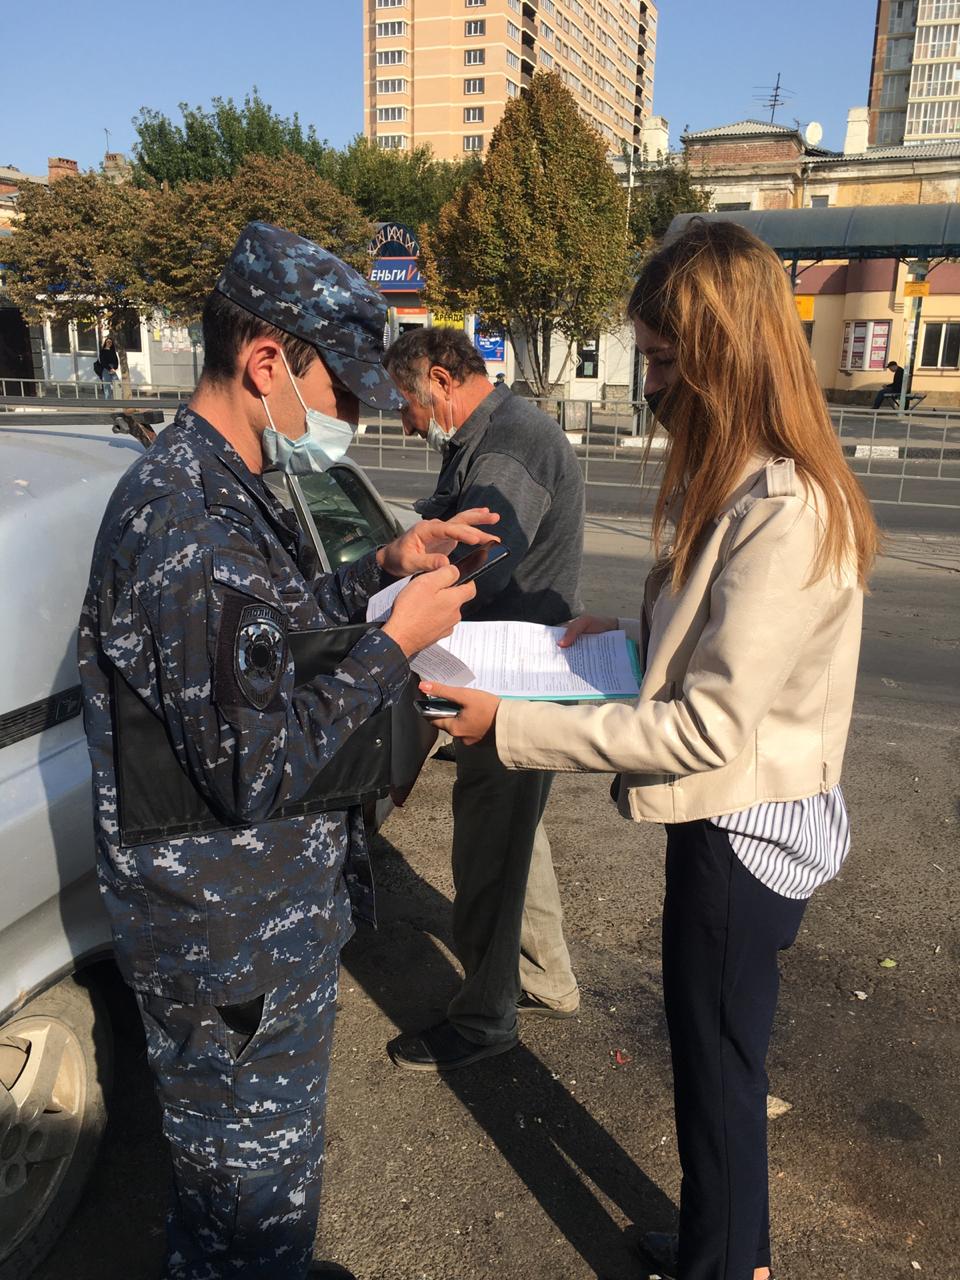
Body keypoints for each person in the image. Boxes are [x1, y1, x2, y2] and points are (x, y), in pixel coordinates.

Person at [421, 219, 878, 1280]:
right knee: (722, 1063)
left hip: (738, 832)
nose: (654, 384)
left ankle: (729, 1265)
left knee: (718, 1070)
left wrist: (511, 725)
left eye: (670, 361)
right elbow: (716, 653)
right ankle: (734, 1246)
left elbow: (711, 724)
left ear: (731, 355)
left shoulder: (784, 509)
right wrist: (616, 642)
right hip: (734, 814)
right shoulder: (753, 479)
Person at [78, 222, 500, 1280]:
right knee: (251, 1213)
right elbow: (255, 765)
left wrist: (382, 567)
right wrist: (395, 644)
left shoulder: (225, 482)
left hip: (249, 932)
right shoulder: (193, 518)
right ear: (267, 361)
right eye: (343, 392)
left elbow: (262, 647)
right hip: (229, 945)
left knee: (237, 1196)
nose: (353, 419)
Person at [381, 327, 585, 1072]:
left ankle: (483, 1020)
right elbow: (441, 516)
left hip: (509, 679)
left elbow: (478, 564)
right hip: (510, 669)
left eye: (406, 401)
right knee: (515, 836)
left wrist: (393, 609)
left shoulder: (507, 448)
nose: (403, 420)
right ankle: (546, 978)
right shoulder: (484, 437)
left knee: (489, 849)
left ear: (440, 378)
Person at [97, 334, 120, 399]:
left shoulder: (113, 351)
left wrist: (115, 368)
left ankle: (118, 400)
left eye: (110, 342)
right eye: (108, 342)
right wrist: (109, 368)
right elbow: (102, 361)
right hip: (106, 368)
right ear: (105, 343)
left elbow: (116, 360)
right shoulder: (103, 351)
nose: (109, 343)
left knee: (117, 384)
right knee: (106, 385)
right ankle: (108, 401)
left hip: (113, 368)